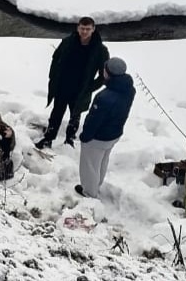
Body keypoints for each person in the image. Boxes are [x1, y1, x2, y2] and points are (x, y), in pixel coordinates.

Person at [35, 17, 109, 149]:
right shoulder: (68, 42)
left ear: (93, 29)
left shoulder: (100, 50)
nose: (84, 32)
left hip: (81, 90)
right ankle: (49, 138)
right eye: (82, 28)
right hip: (62, 86)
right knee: (56, 113)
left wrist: (90, 88)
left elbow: (104, 74)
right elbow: (55, 59)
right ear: (77, 28)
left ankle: (70, 138)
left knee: (75, 115)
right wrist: (53, 76)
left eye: (88, 29)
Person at [74, 57, 135, 199]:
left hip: (98, 137)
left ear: (109, 73)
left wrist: (85, 136)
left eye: (105, 69)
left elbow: (94, 120)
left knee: (89, 165)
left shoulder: (105, 97)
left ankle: (89, 192)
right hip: (114, 134)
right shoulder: (129, 90)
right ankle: (97, 184)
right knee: (102, 160)